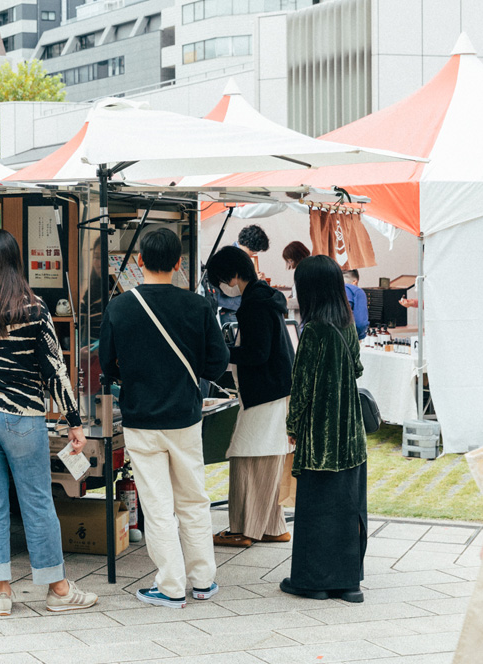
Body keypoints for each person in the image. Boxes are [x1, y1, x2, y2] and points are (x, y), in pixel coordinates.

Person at [0, 229, 97, 617]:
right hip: (21, 416)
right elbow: (54, 369)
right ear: (15, 260)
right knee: (36, 501)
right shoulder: (33, 307)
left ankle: (1, 593)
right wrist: (74, 422)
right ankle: (58, 590)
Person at [97, 228, 230, 608]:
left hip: (141, 419)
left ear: (139, 262)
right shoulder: (199, 306)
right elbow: (218, 363)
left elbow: (107, 364)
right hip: (186, 417)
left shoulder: (119, 308)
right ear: (178, 264)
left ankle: (170, 586)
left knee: (157, 505)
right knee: (193, 500)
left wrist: (134, 376)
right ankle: (203, 580)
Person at [283, 254, 368, 603]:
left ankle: (313, 581)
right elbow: (358, 368)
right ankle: (349, 584)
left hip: (320, 437)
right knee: (349, 507)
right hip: (351, 435)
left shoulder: (313, 330)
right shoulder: (346, 324)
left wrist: (292, 427)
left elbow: (300, 389)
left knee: (316, 509)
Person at [206, 247, 293, 549]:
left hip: (264, 393)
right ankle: (272, 525)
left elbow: (257, 353)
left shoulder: (253, 304)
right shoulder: (265, 297)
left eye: (219, 281)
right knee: (266, 458)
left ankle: (243, 529)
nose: (220, 289)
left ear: (232, 275)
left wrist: (222, 353)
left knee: (246, 459)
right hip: (275, 390)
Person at [216, 224, 271, 323]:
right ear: (247, 243)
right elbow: (226, 288)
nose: (255, 253)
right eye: (254, 250)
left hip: (238, 308)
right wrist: (253, 281)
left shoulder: (238, 256)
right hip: (232, 310)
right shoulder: (229, 256)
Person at [343, 269, 369, 340]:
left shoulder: (330, 289)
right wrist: (360, 337)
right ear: (355, 281)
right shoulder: (356, 291)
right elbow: (360, 323)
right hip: (346, 337)